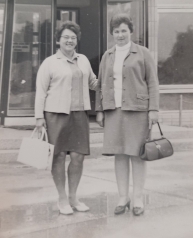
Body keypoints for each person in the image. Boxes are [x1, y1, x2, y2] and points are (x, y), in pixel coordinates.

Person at [96, 13, 159, 216]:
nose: (120, 35)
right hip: (114, 111)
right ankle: (123, 197)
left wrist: (154, 109)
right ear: (112, 34)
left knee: (137, 155)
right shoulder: (108, 55)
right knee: (120, 154)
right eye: (116, 31)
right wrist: (99, 110)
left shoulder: (143, 53)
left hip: (137, 111)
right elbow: (100, 84)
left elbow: (153, 83)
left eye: (124, 30)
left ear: (131, 32)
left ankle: (138, 198)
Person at [35, 21, 97, 215]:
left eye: (73, 37)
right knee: (59, 157)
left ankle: (73, 198)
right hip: (56, 114)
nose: (70, 40)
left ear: (77, 40)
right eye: (66, 37)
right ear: (58, 40)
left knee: (78, 157)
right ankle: (62, 199)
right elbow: (40, 92)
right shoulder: (50, 62)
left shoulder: (84, 60)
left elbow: (93, 83)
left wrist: (113, 78)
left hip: (79, 115)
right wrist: (39, 117)